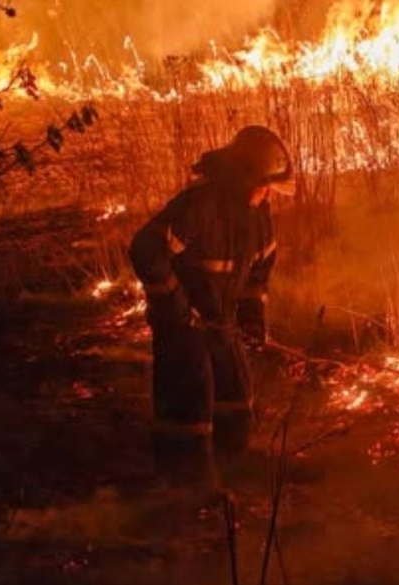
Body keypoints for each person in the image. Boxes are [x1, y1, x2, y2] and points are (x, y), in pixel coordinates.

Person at [129, 126, 294, 486]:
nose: (267, 193)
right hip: (181, 327)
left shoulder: (258, 216)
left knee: (237, 391)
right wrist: (176, 308)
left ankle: (230, 477)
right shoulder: (199, 207)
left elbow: (259, 270)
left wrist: (251, 317)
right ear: (243, 176)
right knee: (191, 399)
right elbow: (146, 250)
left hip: (221, 322)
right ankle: (184, 492)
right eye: (263, 184)